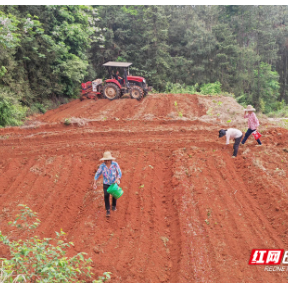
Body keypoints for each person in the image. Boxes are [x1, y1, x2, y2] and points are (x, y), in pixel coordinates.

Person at [93, 151, 122, 218]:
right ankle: (108, 210)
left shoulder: (115, 164)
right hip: (106, 183)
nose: (106, 161)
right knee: (106, 195)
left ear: (110, 159)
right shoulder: (102, 166)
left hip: (114, 182)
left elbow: (119, 172)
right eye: (105, 160)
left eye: (107, 160)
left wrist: (117, 179)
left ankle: (114, 206)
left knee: (114, 195)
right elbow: (97, 174)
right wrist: (94, 182)